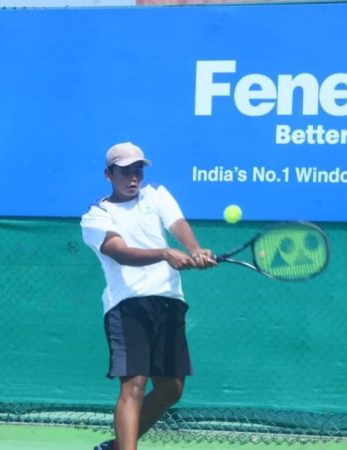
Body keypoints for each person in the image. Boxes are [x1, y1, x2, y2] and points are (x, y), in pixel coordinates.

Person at [80, 142, 217, 450]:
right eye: (125, 171)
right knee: (135, 383)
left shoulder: (156, 196)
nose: (133, 177)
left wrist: (195, 250)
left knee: (171, 389)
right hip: (128, 304)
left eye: (138, 171)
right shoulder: (96, 215)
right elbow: (119, 252)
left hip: (169, 300)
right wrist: (164, 253)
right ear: (108, 174)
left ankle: (116, 447)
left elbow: (177, 224)